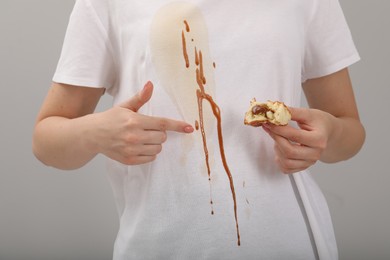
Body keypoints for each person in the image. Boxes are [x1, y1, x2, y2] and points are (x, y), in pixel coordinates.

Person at [33, 0, 365, 259]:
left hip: (291, 245)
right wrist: (96, 132)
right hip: (156, 248)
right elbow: (45, 141)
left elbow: (349, 131)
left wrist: (327, 135)